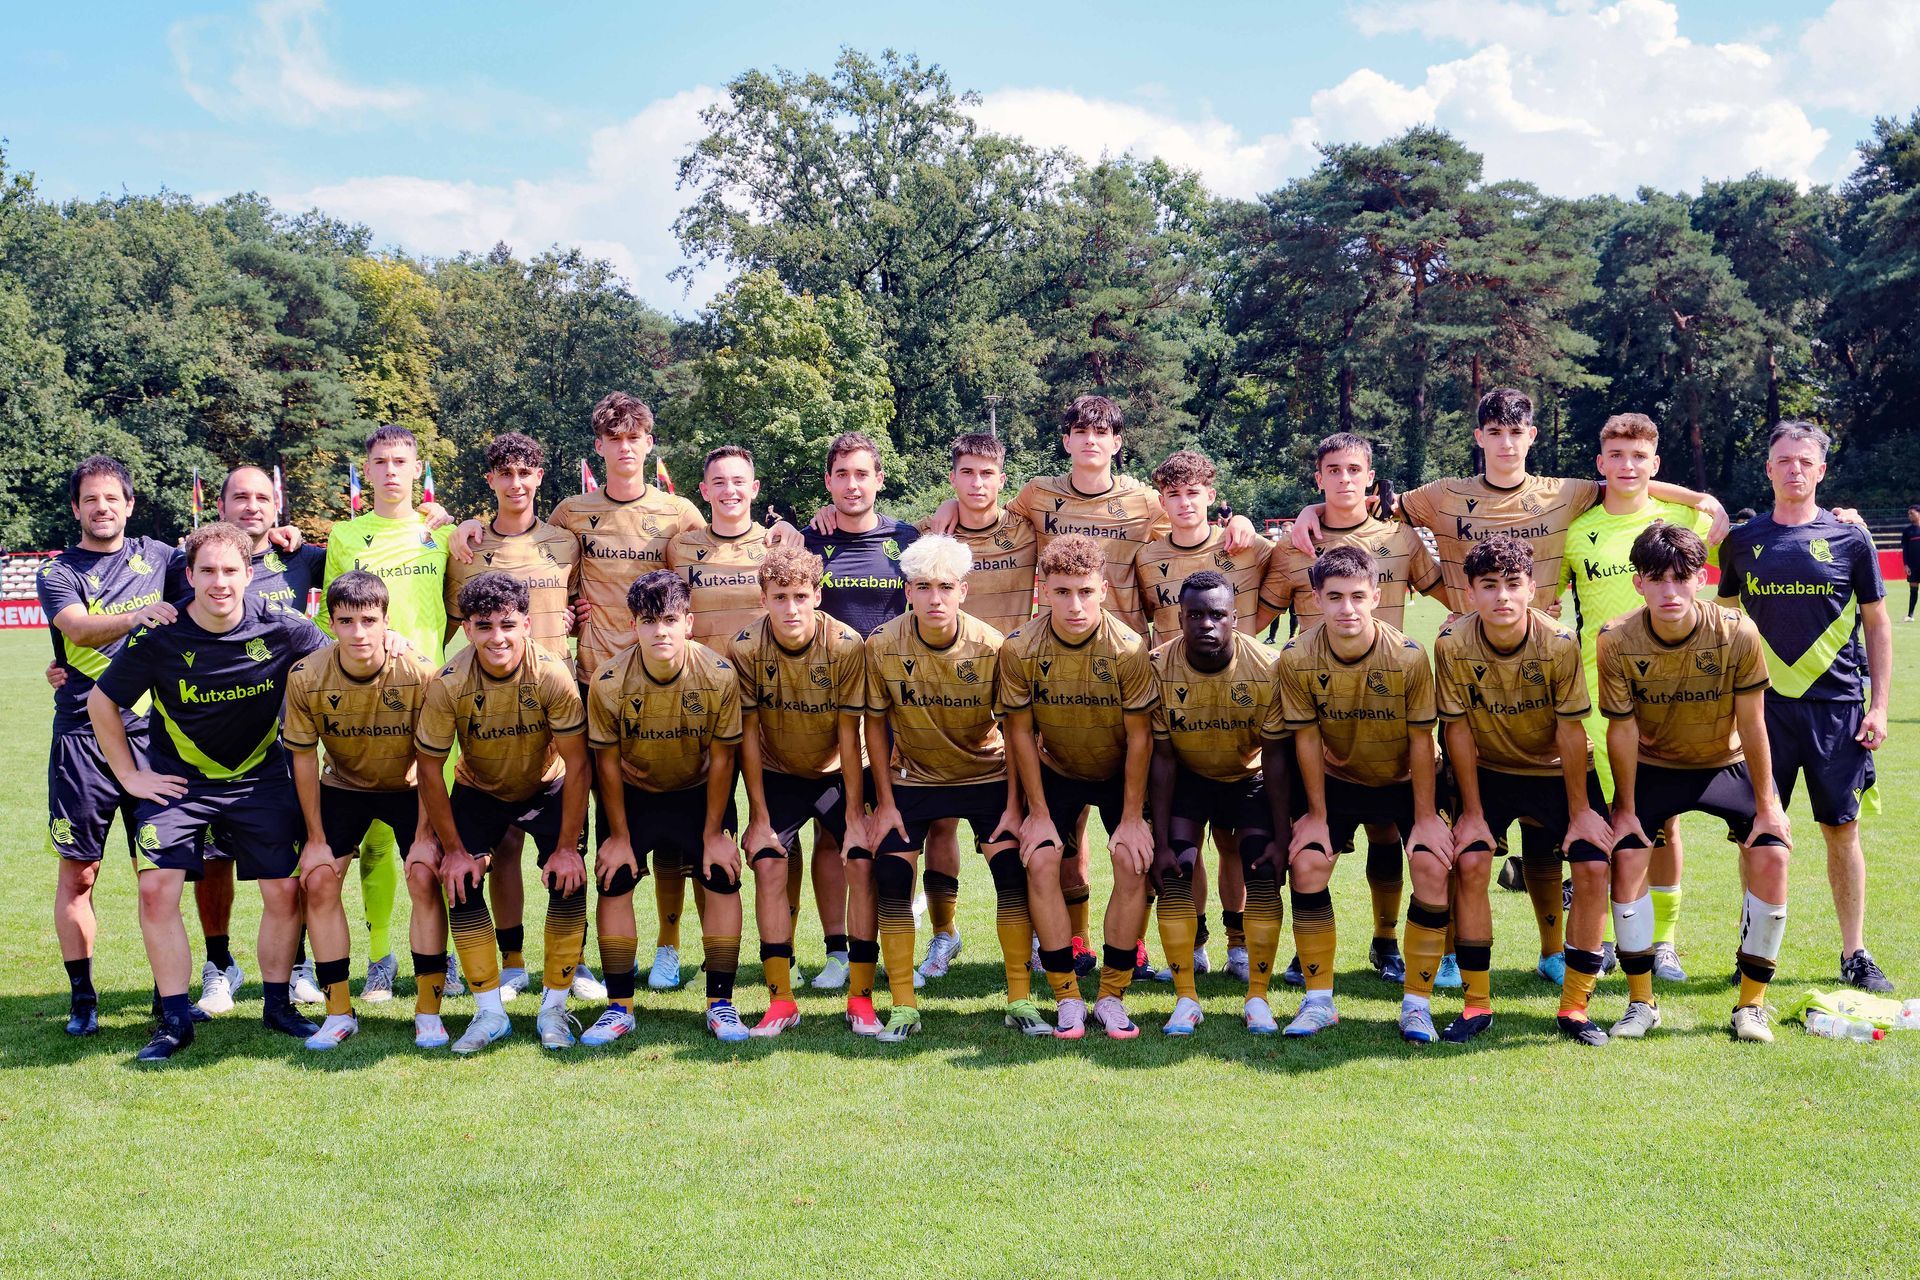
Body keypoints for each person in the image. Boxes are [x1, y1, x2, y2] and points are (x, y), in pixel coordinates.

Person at [1290, 389, 1727, 988]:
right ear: (1479, 437)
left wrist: (1699, 498)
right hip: (1467, 659)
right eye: (1494, 431)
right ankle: (1450, 951)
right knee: (1460, 817)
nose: (1505, 442)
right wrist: (1311, 510)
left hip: (1552, 664)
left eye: (1516, 432)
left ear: (1531, 437)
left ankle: (1576, 948)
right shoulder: (1441, 495)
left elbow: (1629, 480)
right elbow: (1371, 504)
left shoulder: (1566, 491)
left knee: (1583, 821)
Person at [86, 522, 327, 1061]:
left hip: (260, 780)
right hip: (179, 783)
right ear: (190, 575)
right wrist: (130, 776)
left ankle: (277, 1005)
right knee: (156, 890)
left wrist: (393, 642)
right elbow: (102, 703)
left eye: (231, 570)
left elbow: (339, 662)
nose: (220, 582)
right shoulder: (161, 635)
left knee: (284, 891)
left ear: (249, 574)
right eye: (208, 571)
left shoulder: (284, 626)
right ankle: (174, 1020)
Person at [527, 393, 708, 993]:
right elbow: (544, 571)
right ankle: (576, 954)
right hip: (593, 682)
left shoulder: (679, 513)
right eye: (614, 438)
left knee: (673, 821)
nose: (625, 448)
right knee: (590, 822)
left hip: (666, 683)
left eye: (635, 437)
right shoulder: (570, 513)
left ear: (649, 443)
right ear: (599, 446)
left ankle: (669, 947)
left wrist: (783, 528)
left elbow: (722, 553)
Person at [1715, 423, 1893, 993]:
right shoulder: (1742, 541)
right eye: (1784, 460)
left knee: (1841, 830)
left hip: (1837, 709)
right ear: (1768, 469)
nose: (1794, 469)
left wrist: (1880, 706)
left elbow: (1877, 623)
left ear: (1821, 471)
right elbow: (1724, 622)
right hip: (1760, 713)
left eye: (1805, 461)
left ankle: (1855, 952)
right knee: (1756, 833)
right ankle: (1753, 949)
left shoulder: (1851, 539)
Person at [1263, 432, 1444, 985]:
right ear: (1318, 477)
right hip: (1325, 722)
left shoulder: (1399, 537)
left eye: (1354, 469)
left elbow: (1455, 595)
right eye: (1333, 469)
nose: (1344, 478)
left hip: (1390, 720)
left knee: (1389, 837)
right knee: (1310, 848)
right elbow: (1252, 613)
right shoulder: (1293, 545)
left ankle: (1386, 942)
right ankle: (1310, 951)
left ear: (1370, 478)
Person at [1598, 524, 1789, 1043]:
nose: (1670, 591)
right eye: (1657, 579)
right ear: (1638, 582)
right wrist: (1625, 809)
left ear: (1701, 578)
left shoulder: (1737, 631)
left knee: (1772, 854)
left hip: (1725, 763)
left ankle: (1751, 1006)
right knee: (1628, 856)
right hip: (1655, 765)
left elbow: (1753, 722)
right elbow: (1622, 729)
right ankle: (1641, 1003)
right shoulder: (1616, 639)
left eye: (1681, 578)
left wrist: (1768, 805)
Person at [1435, 535, 1614, 1044]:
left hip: (1556, 770)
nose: (1502, 597)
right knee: (1471, 860)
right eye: (1489, 585)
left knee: (1592, 865)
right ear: (1471, 592)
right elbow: (1457, 730)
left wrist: (1580, 812)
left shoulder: (1558, 642)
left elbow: (1570, 731)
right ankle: (1476, 1006)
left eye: (1513, 584)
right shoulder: (1451, 644)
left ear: (1532, 588)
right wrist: (1472, 812)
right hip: (1489, 770)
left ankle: (1575, 1008)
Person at [1560, 414, 1718, 984]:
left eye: (1639, 456)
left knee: (1664, 822)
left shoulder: (1686, 520)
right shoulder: (1577, 531)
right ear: (1600, 464)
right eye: (1617, 456)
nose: (1628, 466)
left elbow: (1742, 532)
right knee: (1607, 820)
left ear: (1656, 464)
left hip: (1670, 694)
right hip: (1596, 695)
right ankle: (1604, 939)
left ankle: (1664, 941)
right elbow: (1547, 602)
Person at [1275, 547, 1452, 1044]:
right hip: (1340, 778)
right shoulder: (1296, 656)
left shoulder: (1408, 656)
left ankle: (1416, 1006)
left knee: (1432, 865)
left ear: (1377, 596)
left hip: (1407, 779)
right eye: (1334, 597)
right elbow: (1306, 738)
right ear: (1316, 599)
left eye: (1357, 596)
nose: (1346, 608)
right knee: (1307, 863)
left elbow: (1422, 740)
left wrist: (1425, 818)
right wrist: (1315, 814)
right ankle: (1318, 1002)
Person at [442, 432, 595, 1003]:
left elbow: (580, 604)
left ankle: (575, 961)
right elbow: (452, 624)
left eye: (525, 473)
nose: (515, 483)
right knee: (503, 845)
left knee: (567, 846)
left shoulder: (565, 541)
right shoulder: (467, 547)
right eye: (504, 473)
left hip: (556, 701)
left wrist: (576, 617)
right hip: (492, 708)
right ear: (490, 480)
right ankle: (512, 962)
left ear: (539, 477)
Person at [414, 572, 591, 1053]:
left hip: (548, 783)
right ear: (467, 629)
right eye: (484, 626)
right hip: (479, 788)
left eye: (508, 625)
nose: (498, 637)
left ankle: (555, 1008)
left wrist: (567, 848)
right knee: (460, 880)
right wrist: (453, 850)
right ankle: (489, 1013)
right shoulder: (448, 682)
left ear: (527, 625)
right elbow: (429, 768)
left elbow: (578, 764)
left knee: (568, 878)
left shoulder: (551, 674)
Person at [864, 535, 1027, 1042]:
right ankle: (903, 1006)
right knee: (891, 877)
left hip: (986, 776)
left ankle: (1020, 1000)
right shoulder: (881, 644)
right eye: (923, 587)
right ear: (907, 591)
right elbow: (874, 726)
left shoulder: (992, 646)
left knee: (1012, 876)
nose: (935, 598)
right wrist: (884, 803)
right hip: (913, 779)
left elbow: (1016, 729)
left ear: (963, 591)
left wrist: (1016, 805)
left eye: (945, 587)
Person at [39, 456, 181, 1037]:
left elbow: (221, 566)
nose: (102, 508)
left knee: (160, 874)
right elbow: (77, 628)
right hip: (82, 738)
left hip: (152, 737)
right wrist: (140, 615)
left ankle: (168, 996)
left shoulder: (161, 557)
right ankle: (82, 998)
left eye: (112, 498)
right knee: (80, 875)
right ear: (76, 509)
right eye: (91, 499)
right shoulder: (58, 572)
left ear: (129, 505)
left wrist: (276, 535)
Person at [999, 534, 1159, 1039]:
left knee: (1132, 860)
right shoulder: (1019, 648)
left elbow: (1140, 738)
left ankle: (1111, 995)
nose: (1075, 605)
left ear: (1104, 590)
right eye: (1063, 592)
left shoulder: (1128, 648)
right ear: (1043, 590)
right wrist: (1037, 812)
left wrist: (1131, 818)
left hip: (1119, 772)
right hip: (1057, 769)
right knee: (1041, 858)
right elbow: (1019, 733)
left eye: (1086, 592)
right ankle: (1066, 997)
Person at [584, 571, 752, 1044]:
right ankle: (619, 1007)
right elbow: (606, 764)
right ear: (633, 625)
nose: (660, 631)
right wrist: (619, 837)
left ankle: (721, 1004)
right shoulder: (608, 681)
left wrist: (714, 833)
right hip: (633, 793)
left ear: (688, 623)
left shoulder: (718, 675)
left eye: (670, 620)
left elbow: (723, 759)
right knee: (614, 878)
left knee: (722, 876)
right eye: (649, 621)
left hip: (698, 791)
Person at [1131, 450, 1278, 983]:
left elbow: (1289, 574)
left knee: (1234, 844)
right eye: (1173, 495)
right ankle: (1194, 943)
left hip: (1241, 702)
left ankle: (1238, 944)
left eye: (1194, 493)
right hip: (1180, 700)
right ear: (1161, 501)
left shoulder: (1246, 543)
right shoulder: (1146, 555)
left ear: (1212, 496)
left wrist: (1250, 523)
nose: (1184, 503)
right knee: (1183, 847)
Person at [321, 425, 455, 1005]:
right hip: (364, 704)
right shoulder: (346, 534)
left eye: (402, 461)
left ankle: (445, 956)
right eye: (381, 461)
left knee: (437, 838)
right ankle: (380, 959)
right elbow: (330, 616)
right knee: (373, 843)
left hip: (431, 699)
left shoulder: (442, 532)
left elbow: (456, 610)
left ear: (417, 468)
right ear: (367, 469)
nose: (392, 470)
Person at [285, 571, 441, 1049]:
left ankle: (428, 1010)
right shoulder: (306, 675)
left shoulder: (419, 672)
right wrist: (315, 840)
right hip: (343, 786)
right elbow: (303, 759)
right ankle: (338, 1012)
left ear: (386, 620)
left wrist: (424, 835)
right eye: (346, 621)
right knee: (317, 880)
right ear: (330, 623)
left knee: (424, 875)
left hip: (408, 786)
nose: (358, 632)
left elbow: (432, 759)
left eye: (369, 620)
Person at [912, 433, 1039, 986]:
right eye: (966, 472)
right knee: (939, 824)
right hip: (943, 697)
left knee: (1032, 821)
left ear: (1003, 479)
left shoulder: (1027, 528)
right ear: (953, 478)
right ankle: (944, 934)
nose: (977, 483)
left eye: (987, 473)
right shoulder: (930, 533)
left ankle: (1037, 936)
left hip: (1014, 693)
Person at [798, 431, 920, 994]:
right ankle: (836, 952)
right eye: (841, 474)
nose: (852, 485)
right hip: (828, 712)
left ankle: (896, 943)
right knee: (832, 835)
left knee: (894, 833)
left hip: (896, 712)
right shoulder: (810, 541)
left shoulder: (905, 539)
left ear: (879, 480)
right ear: (828, 481)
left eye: (862, 474)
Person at [1147, 571, 1293, 1036]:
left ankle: (1258, 997)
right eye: (1195, 615)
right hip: (1187, 775)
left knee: (1262, 872)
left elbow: (1276, 757)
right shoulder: (1157, 666)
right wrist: (1159, 842)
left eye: (1216, 615)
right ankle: (1185, 998)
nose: (1205, 624)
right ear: (1179, 619)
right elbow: (1161, 759)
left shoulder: (1268, 666)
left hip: (1248, 776)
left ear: (1234, 617)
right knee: (1174, 871)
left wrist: (1283, 837)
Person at [731, 548, 869, 1035]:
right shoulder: (745, 647)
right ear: (763, 598)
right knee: (768, 862)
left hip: (836, 770)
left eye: (800, 596)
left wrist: (855, 815)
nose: (791, 608)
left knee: (860, 859)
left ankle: (860, 997)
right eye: (779, 597)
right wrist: (758, 816)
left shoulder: (846, 645)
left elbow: (850, 734)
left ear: (817, 596)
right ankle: (780, 999)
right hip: (778, 772)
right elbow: (748, 735)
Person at [1903, 506, 1920, 622]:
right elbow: (1905, 550)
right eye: (1908, 514)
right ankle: (1910, 615)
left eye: (1912, 513)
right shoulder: (1907, 531)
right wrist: (1906, 565)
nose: (1910, 516)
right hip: (1913, 566)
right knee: (1913, 590)